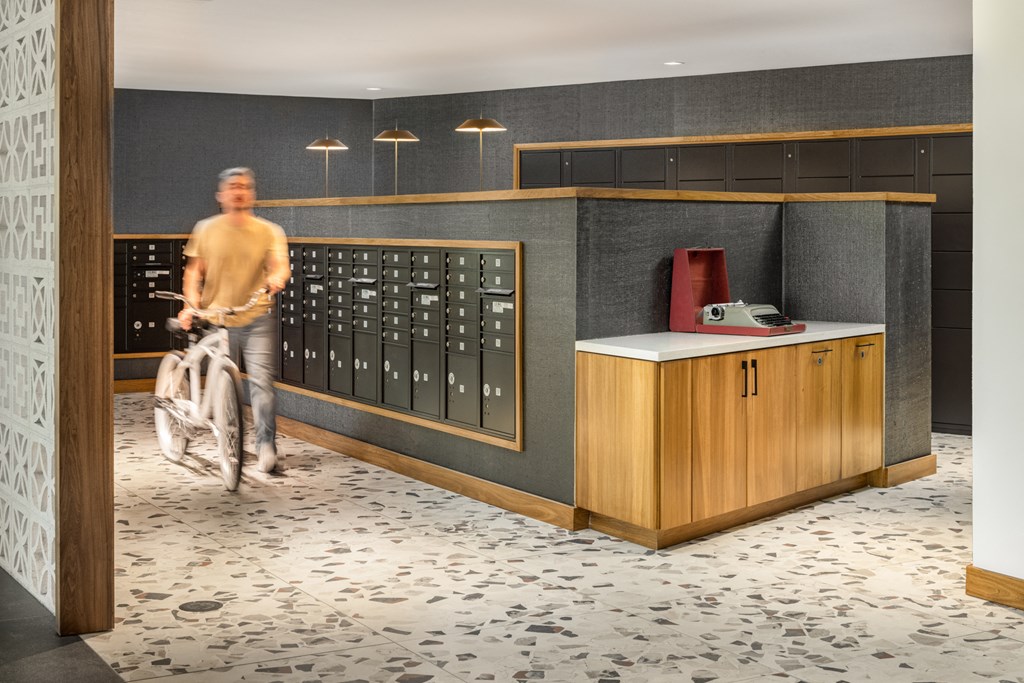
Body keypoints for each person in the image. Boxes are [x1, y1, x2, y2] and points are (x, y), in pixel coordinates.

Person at [178, 167, 291, 473]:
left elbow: (280, 266)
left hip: (255, 316)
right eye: (232, 186)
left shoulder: (270, 231)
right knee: (214, 379)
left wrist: (276, 280)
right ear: (221, 195)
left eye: (244, 186)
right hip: (216, 318)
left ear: (252, 194)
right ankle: (220, 436)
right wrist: (191, 305)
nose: (239, 191)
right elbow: (194, 273)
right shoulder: (205, 228)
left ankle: (266, 445)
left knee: (262, 384)